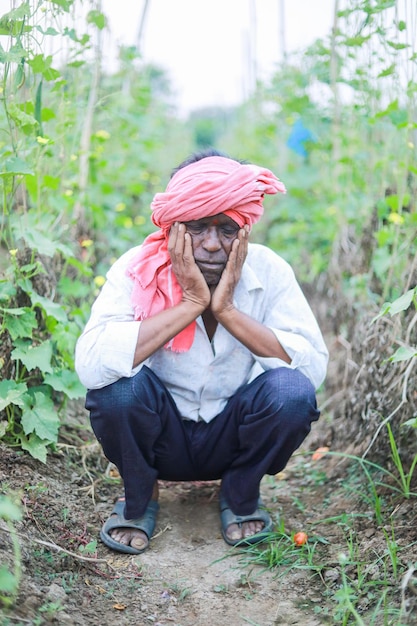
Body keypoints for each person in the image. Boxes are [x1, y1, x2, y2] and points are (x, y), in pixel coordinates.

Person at [75, 148, 328, 555]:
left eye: (226, 229)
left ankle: (241, 493)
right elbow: (91, 365)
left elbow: (310, 371)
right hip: (159, 438)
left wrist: (226, 310)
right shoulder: (136, 268)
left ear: (245, 231)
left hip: (230, 437)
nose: (212, 245)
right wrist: (190, 303)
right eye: (197, 227)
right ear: (173, 228)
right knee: (116, 391)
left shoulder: (270, 270)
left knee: (291, 393)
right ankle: (140, 498)